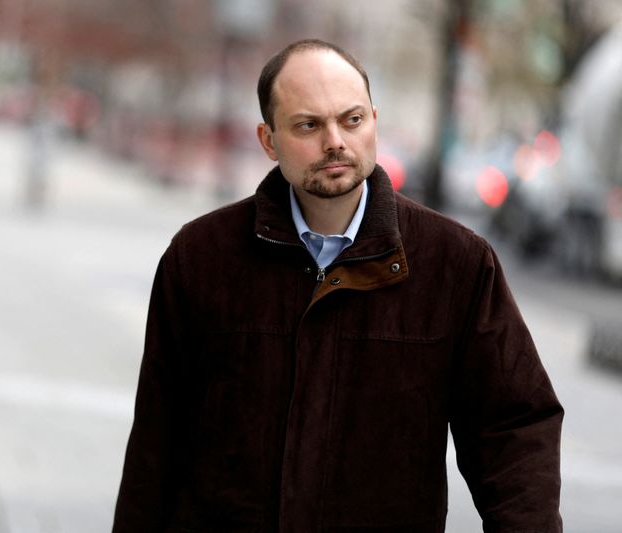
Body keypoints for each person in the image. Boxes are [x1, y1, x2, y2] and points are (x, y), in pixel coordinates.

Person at [113, 39, 563, 533]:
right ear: (269, 140)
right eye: (309, 125)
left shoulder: (455, 263)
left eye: (351, 120)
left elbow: (514, 428)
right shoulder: (201, 257)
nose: (335, 141)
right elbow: (157, 441)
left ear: (373, 119)